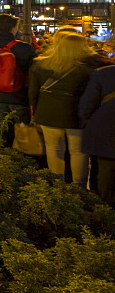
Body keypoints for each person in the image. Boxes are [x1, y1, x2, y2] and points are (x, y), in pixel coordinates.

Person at [29, 31, 101, 188]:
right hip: (75, 114)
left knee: (53, 148)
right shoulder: (88, 69)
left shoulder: (41, 64)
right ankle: (79, 186)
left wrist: (34, 112)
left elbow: (33, 93)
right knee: (78, 151)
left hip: (48, 112)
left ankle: (58, 184)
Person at [79, 64, 115, 204]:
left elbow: (87, 104)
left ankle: (104, 208)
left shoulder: (103, 73)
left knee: (104, 172)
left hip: (106, 130)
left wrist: (87, 124)